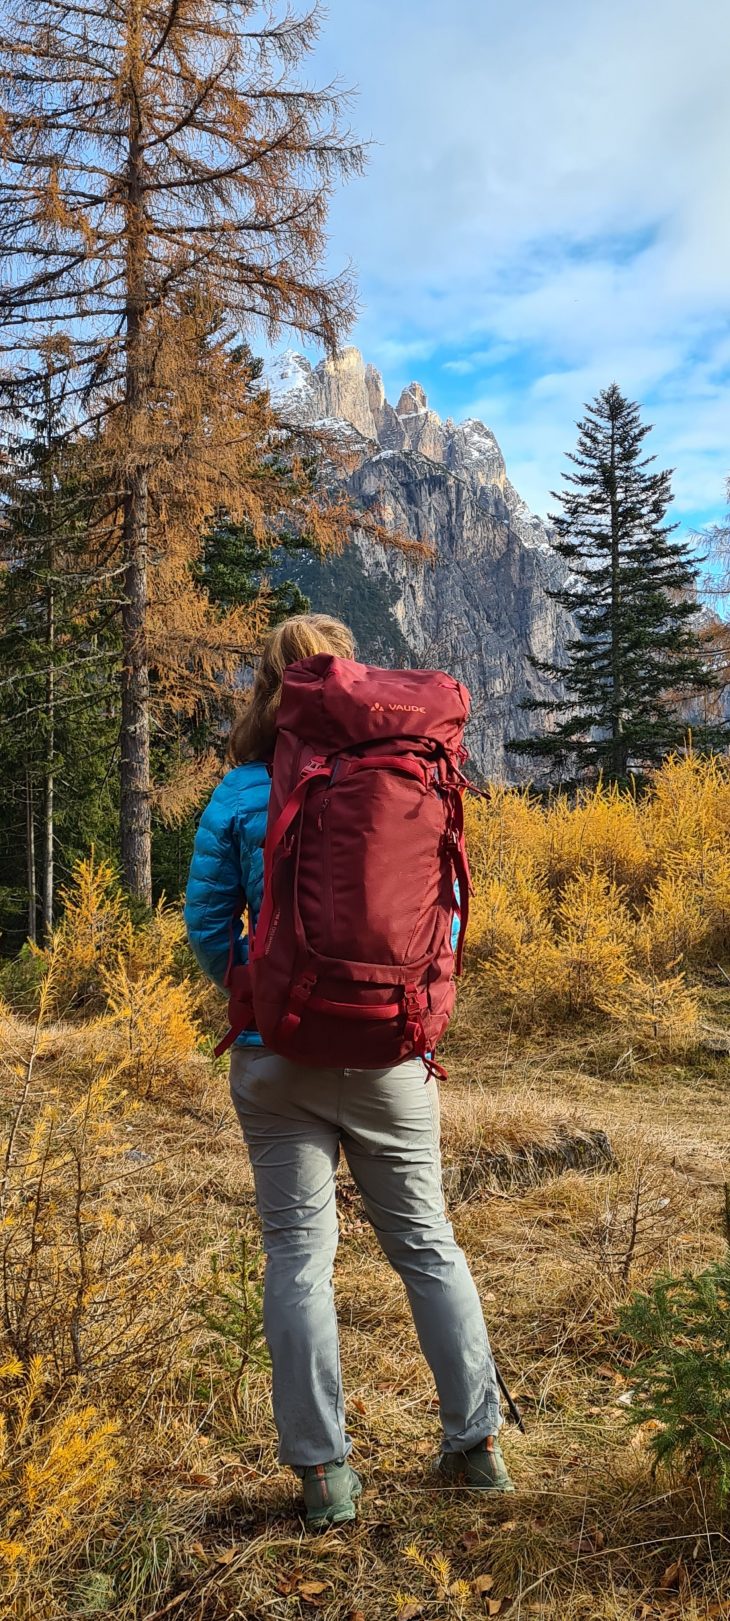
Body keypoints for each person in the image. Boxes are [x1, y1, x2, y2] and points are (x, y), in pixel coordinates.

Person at [184, 613, 514, 1528]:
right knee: (427, 1243)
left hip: (276, 1056)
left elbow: (207, 926)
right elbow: (445, 918)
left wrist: (260, 993)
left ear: (270, 688)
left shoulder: (240, 793)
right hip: (391, 1054)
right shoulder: (412, 773)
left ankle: (325, 1476)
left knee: (298, 1257)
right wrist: (404, 1007)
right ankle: (476, 1446)